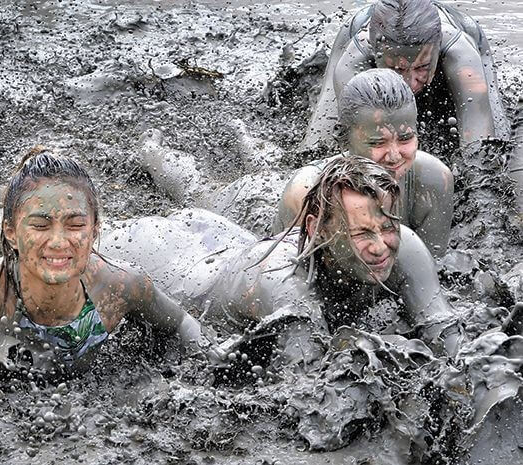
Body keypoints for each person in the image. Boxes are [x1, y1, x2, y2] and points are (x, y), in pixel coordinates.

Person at [100, 156, 461, 367]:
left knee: (207, 194)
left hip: (230, 240)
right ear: (316, 227)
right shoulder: (285, 281)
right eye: (362, 234)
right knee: (88, 239)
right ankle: (151, 151)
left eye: (387, 227)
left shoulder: (400, 243)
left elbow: (442, 327)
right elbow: (313, 380)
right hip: (175, 265)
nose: (382, 246)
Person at [0, 135, 207, 374]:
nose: (59, 242)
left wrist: (206, 366)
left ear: (95, 229)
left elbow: (182, 323)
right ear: (10, 232)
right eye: (41, 225)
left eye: (75, 225)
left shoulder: (119, 287)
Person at [274, 69, 453, 257]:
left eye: (405, 138)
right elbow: (291, 277)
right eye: (377, 142)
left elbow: (431, 268)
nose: (394, 156)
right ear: (344, 140)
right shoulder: (306, 192)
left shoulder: (434, 180)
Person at [302, 0, 509, 152]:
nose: (409, 84)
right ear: (376, 56)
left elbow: (480, 151)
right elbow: (354, 147)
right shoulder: (355, 58)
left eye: (422, 67)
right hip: (359, 37)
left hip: (460, 44)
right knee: (317, 148)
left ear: (439, 52)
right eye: (397, 70)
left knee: (496, 146)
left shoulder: (460, 52)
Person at [137, 119, 287, 237]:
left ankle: (242, 134)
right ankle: (150, 151)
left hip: (282, 184)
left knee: (271, 169)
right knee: (196, 188)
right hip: (249, 204)